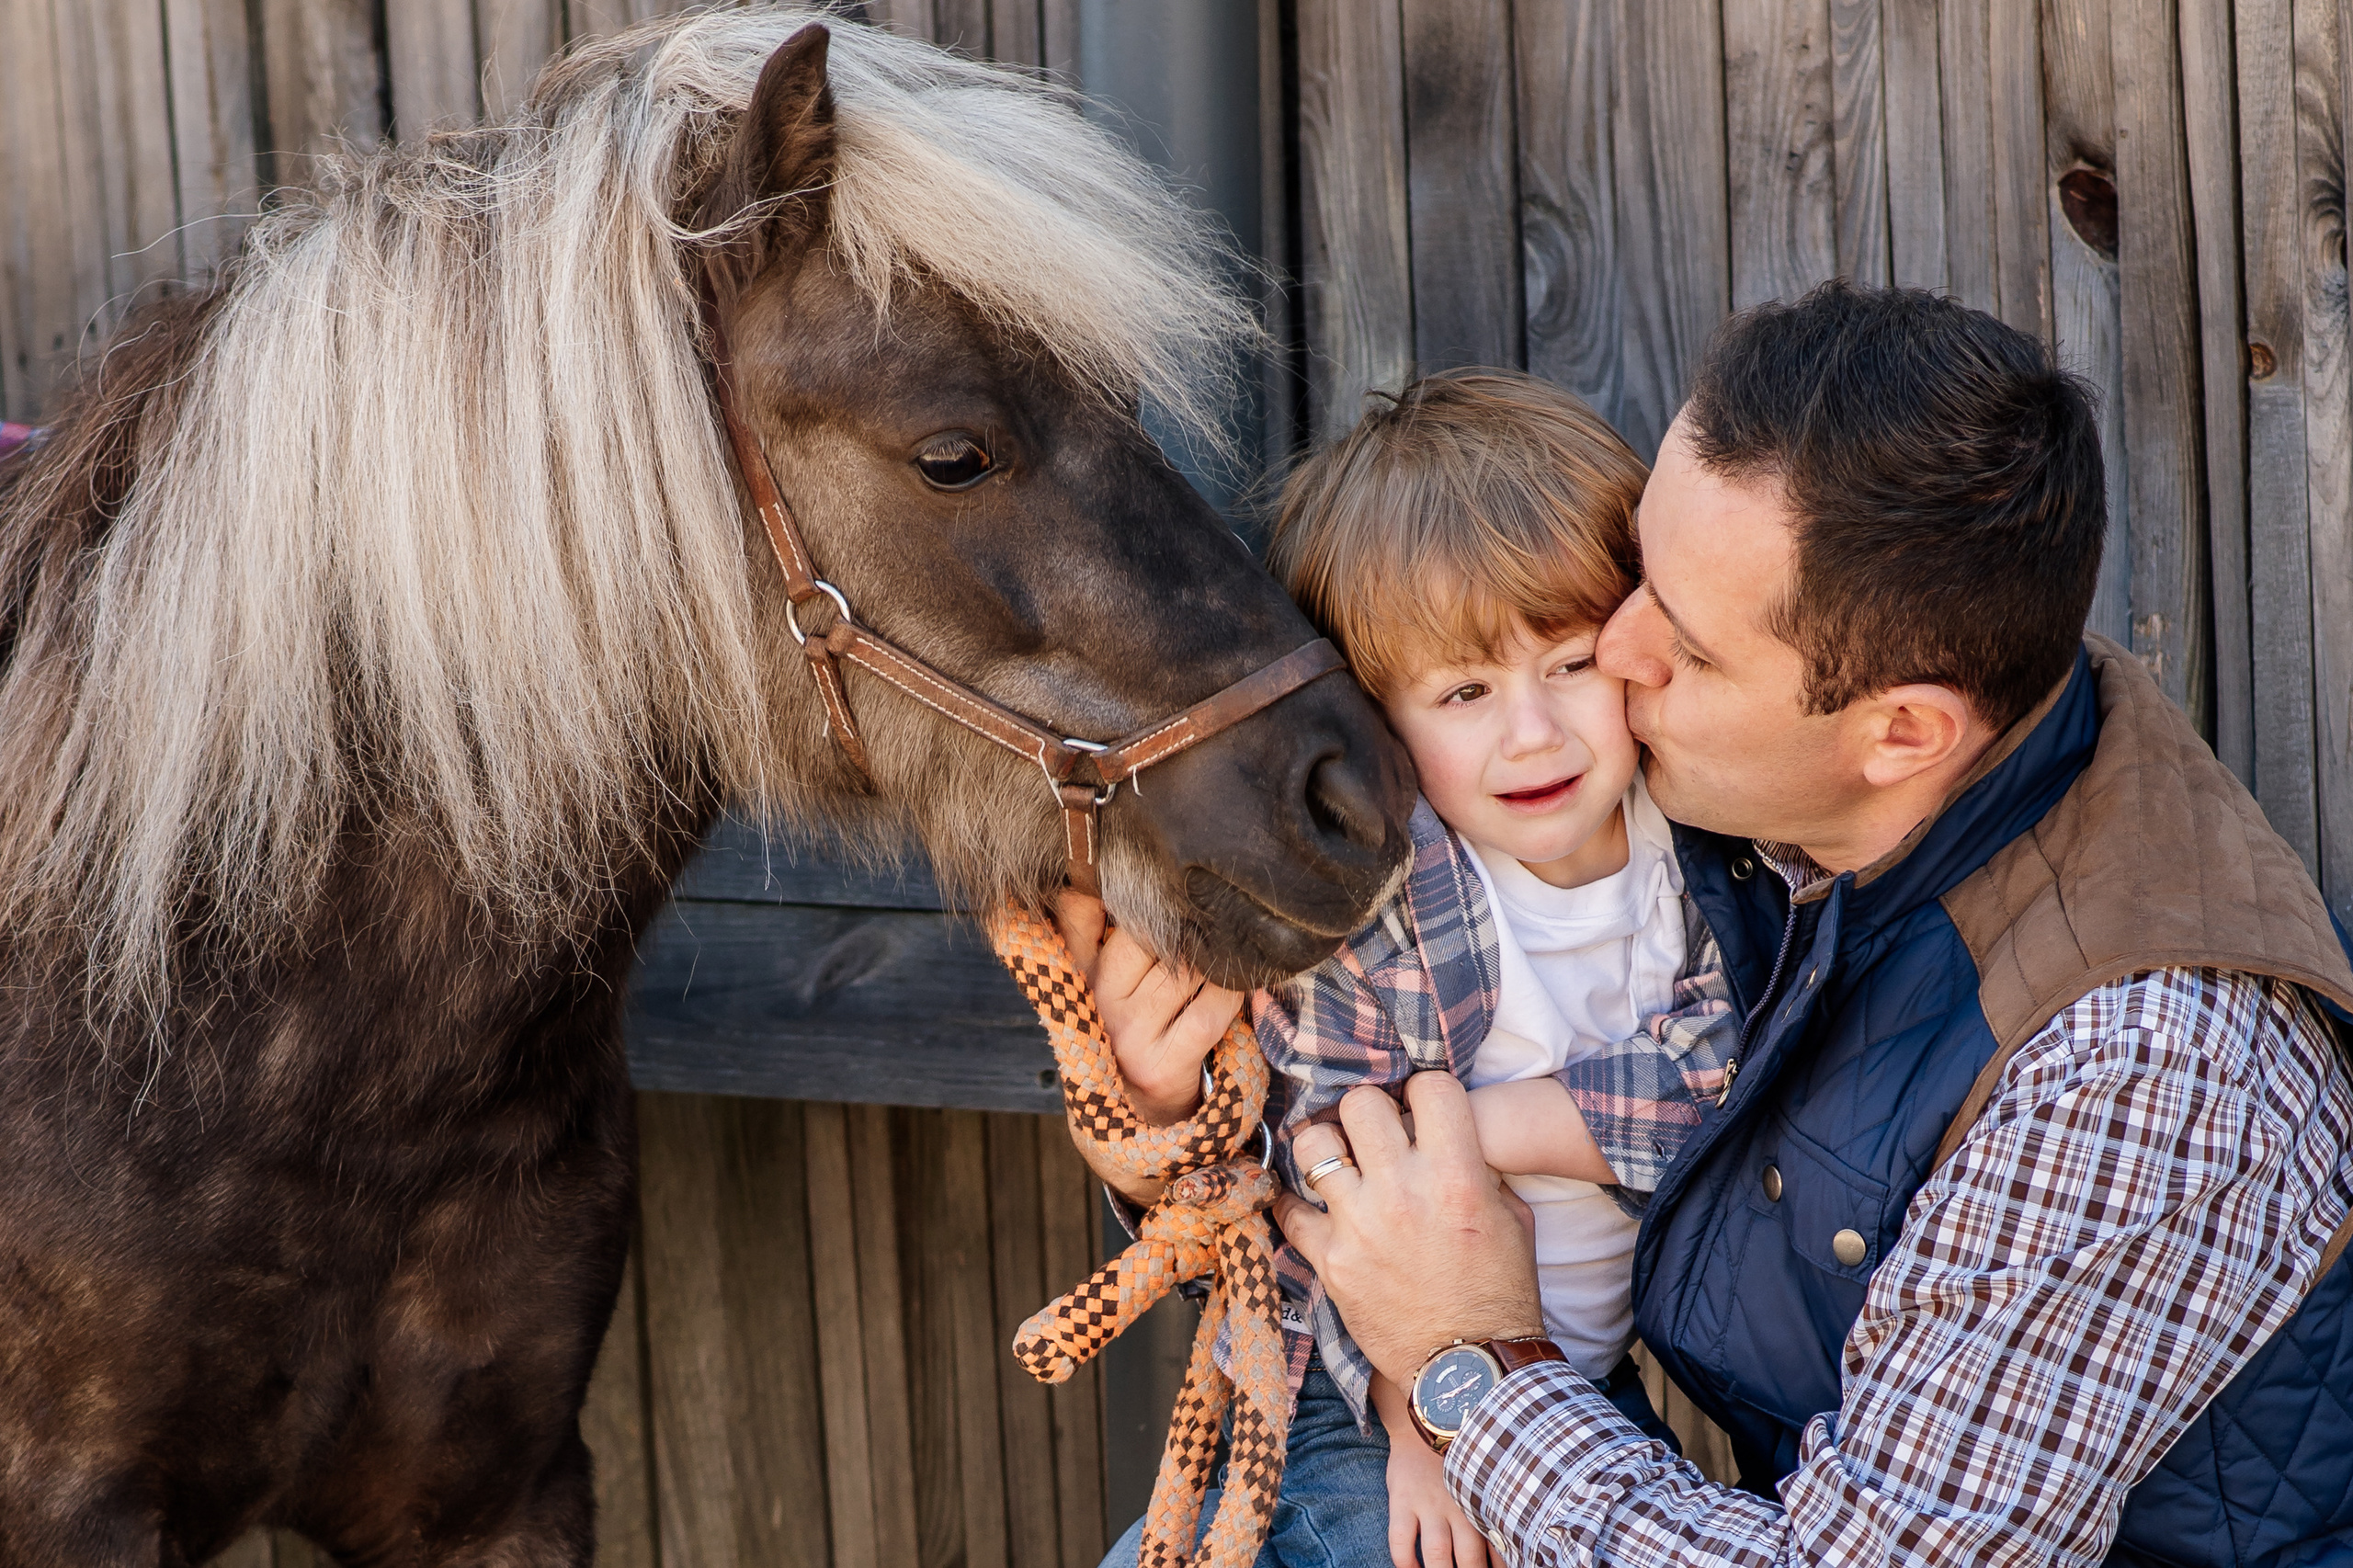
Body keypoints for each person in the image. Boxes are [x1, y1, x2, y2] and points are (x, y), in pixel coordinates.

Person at [1272, 282, 2353, 1567]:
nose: (1613, 653)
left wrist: (1471, 1360)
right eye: (1643, 576)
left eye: (1689, 643)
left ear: (1901, 732)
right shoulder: (1803, 804)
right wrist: (1167, 1096)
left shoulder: (2136, 1068)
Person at [1067, 369, 1737, 1568]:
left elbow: (1720, 1085)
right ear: (1373, 715)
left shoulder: (1694, 852)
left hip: (1568, 1377)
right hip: (1365, 1385)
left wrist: (1472, 1132)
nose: (1532, 732)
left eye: (1573, 663)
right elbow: (1327, 1169)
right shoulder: (1391, 894)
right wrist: (1419, 1413)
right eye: (1465, 691)